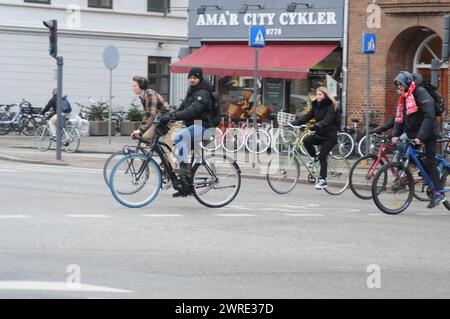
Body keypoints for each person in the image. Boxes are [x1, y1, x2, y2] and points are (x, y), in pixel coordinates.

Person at [159, 67, 217, 197]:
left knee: (180, 136)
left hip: (205, 126)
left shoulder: (203, 92)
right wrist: (167, 116)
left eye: (195, 77)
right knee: (179, 148)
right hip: (195, 126)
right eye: (190, 77)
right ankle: (186, 183)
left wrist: (173, 117)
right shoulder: (192, 91)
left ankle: (185, 172)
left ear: (200, 79)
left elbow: (192, 110)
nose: (192, 79)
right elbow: (182, 108)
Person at [391, 71, 443, 209]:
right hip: (414, 133)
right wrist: (395, 135)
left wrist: (421, 137)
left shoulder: (420, 92)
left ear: (407, 83)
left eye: (400, 84)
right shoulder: (404, 97)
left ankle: (438, 192)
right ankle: (426, 169)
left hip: (429, 132)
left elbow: (429, 115)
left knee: (430, 161)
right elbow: (400, 119)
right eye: (397, 84)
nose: (399, 87)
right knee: (410, 156)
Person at [291, 86, 338, 189]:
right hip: (320, 134)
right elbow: (307, 116)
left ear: (325, 95)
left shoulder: (331, 106)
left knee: (322, 156)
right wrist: (294, 123)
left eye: (320, 94)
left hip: (330, 136)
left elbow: (327, 120)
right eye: (317, 94)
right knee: (306, 140)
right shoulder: (316, 105)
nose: (318, 96)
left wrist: (316, 126)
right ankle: (314, 158)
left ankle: (323, 180)